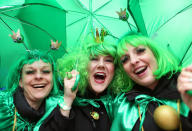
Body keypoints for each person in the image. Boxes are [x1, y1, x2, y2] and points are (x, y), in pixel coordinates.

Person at [109, 34, 192, 131]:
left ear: (155, 53)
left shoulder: (186, 84)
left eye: (140, 51)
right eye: (125, 59)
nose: (133, 61)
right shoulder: (123, 105)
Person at [40, 37, 124, 131]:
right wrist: (67, 100)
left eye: (108, 60)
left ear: (116, 69)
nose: (101, 65)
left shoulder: (118, 105)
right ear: (82, 65)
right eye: (94, 59)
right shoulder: (62, 101)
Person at [0, 50, 61, 130]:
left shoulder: (56, 108)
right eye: (30, 72)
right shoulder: (2, 106)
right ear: (20, 81)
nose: (38, 76)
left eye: (45, 71)